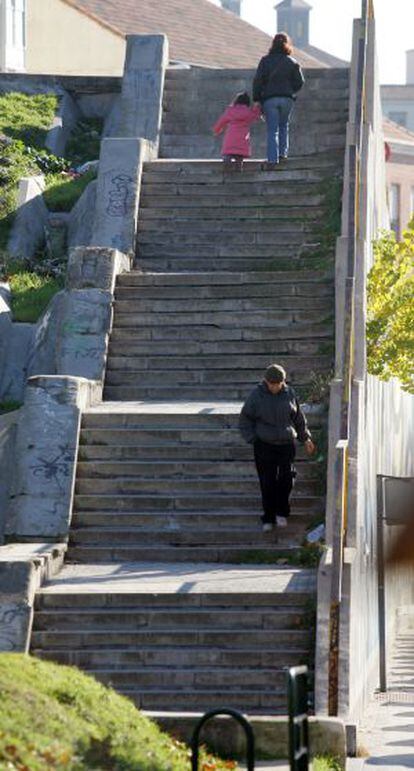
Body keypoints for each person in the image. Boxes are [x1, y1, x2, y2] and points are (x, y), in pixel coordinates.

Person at [239, 364, 315, 533]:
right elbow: (245, 419)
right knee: (267, 481)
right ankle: (268, 517)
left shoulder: (289, 393)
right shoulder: (256, 395)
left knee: (287, 478)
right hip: (264, 445)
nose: (274, 386)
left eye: (278, 383)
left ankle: (282, 511)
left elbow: (298, 418)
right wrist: (253, 439)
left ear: (283, 382)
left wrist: (306, 438)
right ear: (266, 381)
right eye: (271, 383)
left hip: (286, 443)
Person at [253, 32, 305, 170]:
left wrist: (257, 99)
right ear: (287, 45)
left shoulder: (265, 61)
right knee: (284, 126)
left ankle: (272, 159)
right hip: (287, 99)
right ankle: (283, 154)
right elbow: (300, 82)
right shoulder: (292, 62)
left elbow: (258, 81)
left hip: (270, 99)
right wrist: (290, 90)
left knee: (272, 130)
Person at [213, 91, 262, 172]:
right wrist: (257, 107)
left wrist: (216, 130)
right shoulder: (249, 112)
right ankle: (238, 173)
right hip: (242, 139)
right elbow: (256, 116)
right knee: (239, 158)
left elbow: (221, 121)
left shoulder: (230, 111)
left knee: (228, 155)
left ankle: (226, 168)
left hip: (230, 138)